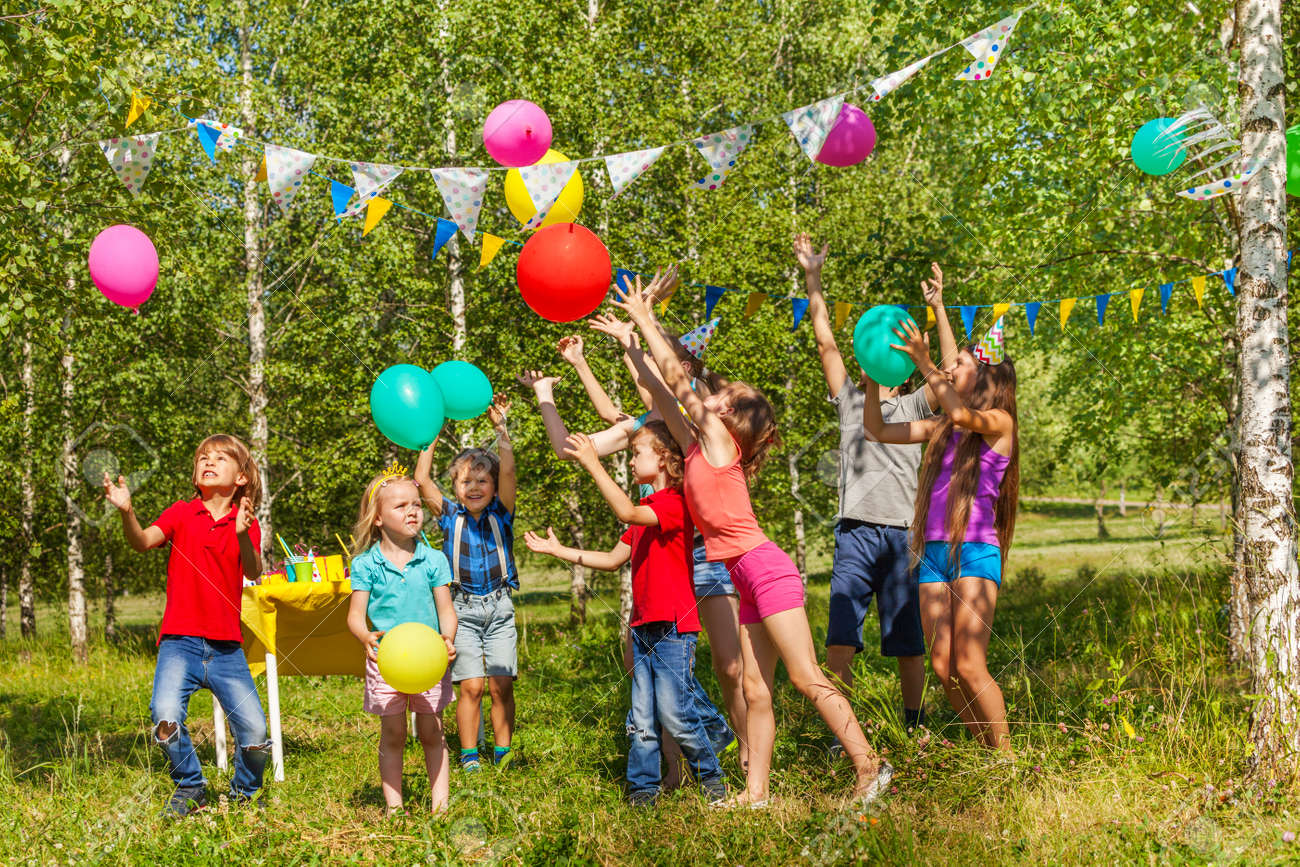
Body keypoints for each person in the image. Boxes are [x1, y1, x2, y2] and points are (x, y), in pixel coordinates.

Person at [612, 278, 891, 808]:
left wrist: (647, 320)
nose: (710, 393)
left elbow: (679, 380)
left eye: (722, 395)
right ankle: (756, 793)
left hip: (765, 568)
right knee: (756, 690)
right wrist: (632, 336)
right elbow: (662, 387)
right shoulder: (697, 448)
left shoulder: (718, 442)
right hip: (743, 575)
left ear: (729, 415)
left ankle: (871, 767)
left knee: (807, 676)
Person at [794, 234, 958, 735]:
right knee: (840, 636)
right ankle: (837, 731)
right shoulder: (848, 399)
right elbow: (824, 338)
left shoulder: (912, 406)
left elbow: (951, 375)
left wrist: (939, 309)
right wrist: (813, 277)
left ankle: (914, 724)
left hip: (902, 538)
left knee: (907, 640)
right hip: (855, 535)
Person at [524, 423, 732, 807]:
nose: (631, 460)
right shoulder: (646, 513)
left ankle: (712, 779)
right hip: (641, 627)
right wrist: (559, 551)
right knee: (641, 717)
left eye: (638, 453)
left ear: (666, 460)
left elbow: (624, 511)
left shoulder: (672, 504)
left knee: (675, 712)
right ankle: (643, 790)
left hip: (672, 626)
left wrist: (592, 463)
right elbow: (610, 560)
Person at [861, 315, 1020, 752]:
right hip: (933, 552)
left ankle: (1007, 759)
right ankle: (986, 751)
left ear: (985, 376)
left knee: (970, 665)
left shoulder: (999, 422)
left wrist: (924, 358)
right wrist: (874, 379)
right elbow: (876, 429)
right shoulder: (943, 429)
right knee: (944, 668)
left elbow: (960, 410)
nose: (950, 369)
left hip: (975, 550)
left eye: (961, 365)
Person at [103, 434, 270, 816]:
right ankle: (191, 786)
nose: (208, 462)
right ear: (195, 473)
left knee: (256, 735)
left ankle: (245, 796)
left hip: (227, 648)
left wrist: (243, 535)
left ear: (241, 477)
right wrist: (127, 511)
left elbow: (254, 569)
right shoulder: (181, 512)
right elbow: (143, 541)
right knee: (164, 717)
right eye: (202, 459)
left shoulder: (245, 521)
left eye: (219, 458)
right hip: (180, 643)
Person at [413, 395, 520, 771]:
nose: (473, 487)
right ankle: (470, 754)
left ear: (492, 486)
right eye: (464, 481)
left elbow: (508, 472)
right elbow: (421, 479)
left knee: (501, 684)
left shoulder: (502, 513)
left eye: (481, 480)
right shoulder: (447, 515)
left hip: (499, 606)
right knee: (472, 686)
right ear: (455, 487)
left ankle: (503, 752)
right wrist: (433, 433)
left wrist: (501, 429)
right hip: (461, 610)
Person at [346, 464, 459, 814]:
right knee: (392, 735)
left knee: (432, 733)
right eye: (400, 506)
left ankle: (440, 807)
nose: (412, 511)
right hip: (386, 661)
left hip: (431, 659)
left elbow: (447, 611)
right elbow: (354, 615)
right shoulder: (366, 565)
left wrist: (448, 639)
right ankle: (394, 809)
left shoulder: (434, 559)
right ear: (377, 518)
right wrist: (365, 634)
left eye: (416, 504)